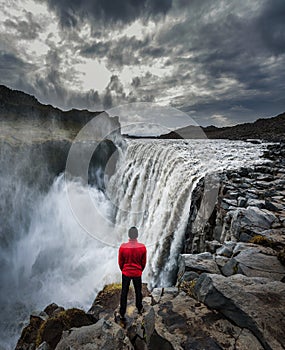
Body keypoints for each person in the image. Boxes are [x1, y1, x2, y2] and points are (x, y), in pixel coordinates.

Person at [118, 226, 147, 320]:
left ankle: (122, 312)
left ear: (129, 235)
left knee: (124, 292)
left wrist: (124, 270)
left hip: (126, 272)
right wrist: (139, 270)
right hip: (137, 273)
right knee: (138, 291)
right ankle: (139, 308)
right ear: (137, 235)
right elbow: (143, 262)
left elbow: (120, 262)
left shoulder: (123, 247)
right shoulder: (142, 247)